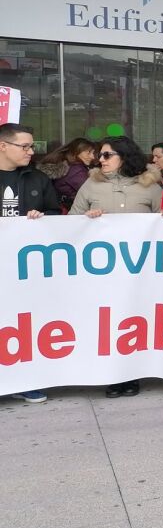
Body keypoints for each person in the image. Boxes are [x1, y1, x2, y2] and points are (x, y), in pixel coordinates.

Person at [70, 135, 163, 398]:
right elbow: (71, 223)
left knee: (133, 321)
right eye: (99, 155)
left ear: (124, 157)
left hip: (139, 271)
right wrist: (87, 219)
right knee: (107, 322)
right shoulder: (91, 184)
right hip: (101, 271)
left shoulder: (150, 185)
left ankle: (131, 375)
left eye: (107, 155)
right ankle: (111, 376)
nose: (100, 160)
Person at [1, 123, 61, 404]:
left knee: (23, 323)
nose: (30, 151)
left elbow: (55, 214)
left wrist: (42, 218)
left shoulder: (38, 178)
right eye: (24, 146)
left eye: (31, 146)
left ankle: (24, 380)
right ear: (3, 146)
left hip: (26, 268)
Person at [37, 137, 96, 211]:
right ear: (76, 152)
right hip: (72, 211)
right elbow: (92, 193)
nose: (92, 157)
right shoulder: (76, 170)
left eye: (93, 153)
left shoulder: (67, 165)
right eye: (88, 153)